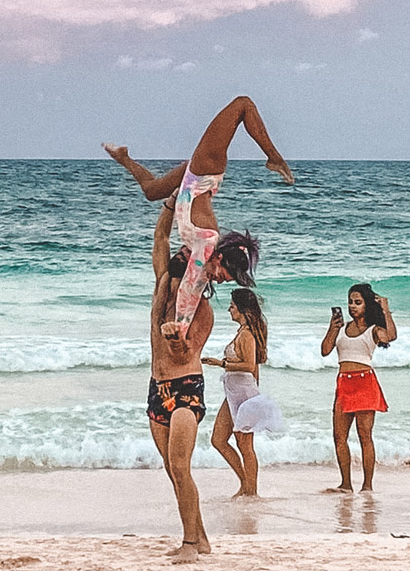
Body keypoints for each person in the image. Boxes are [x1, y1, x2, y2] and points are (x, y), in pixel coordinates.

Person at [104, 96, 294, 341]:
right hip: (205, 170)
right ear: (220, 258)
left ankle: (123, 158)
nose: (222, 281)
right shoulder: (207, 241)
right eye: (226, 275)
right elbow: (189, 289)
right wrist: (180, 329)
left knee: (152, 191)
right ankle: (274, 158)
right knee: (242, 105)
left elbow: (191, 281)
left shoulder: (205, 257)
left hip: (189, 182)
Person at [147, 192, 213, 563]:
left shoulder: (202, 312)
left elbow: (188, 355)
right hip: (157, 389)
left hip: (186, 388)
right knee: (173, 474)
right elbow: (160, 239)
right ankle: (200, 537)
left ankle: (190, 544)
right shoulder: (160, 291)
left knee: (181, 466)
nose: (176, 278)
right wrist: (170, 205)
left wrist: (176, 341)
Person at [203, 288, 283, 496]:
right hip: (233, 393)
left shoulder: (247, 335)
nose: (229, 309)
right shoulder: (242, 332)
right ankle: (245, 484)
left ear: (242, 309)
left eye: (232, 305)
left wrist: (220, 363)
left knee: (245, 445)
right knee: (218, 440)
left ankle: (250, 490)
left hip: (243, 394)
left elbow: (249, 365)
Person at [320, 283, 397, 493]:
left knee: (365, 436)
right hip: (344, 383)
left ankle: (367, 485)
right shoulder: (342, 328)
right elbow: (325, 350)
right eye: (350, 302)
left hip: (365, 382)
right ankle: (345, 483)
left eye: (358, 302)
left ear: (366, 304)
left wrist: (385, 309)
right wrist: (332, 327)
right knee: (339, 437)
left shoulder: (373, 330)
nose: (353, 306)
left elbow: (391, 336)